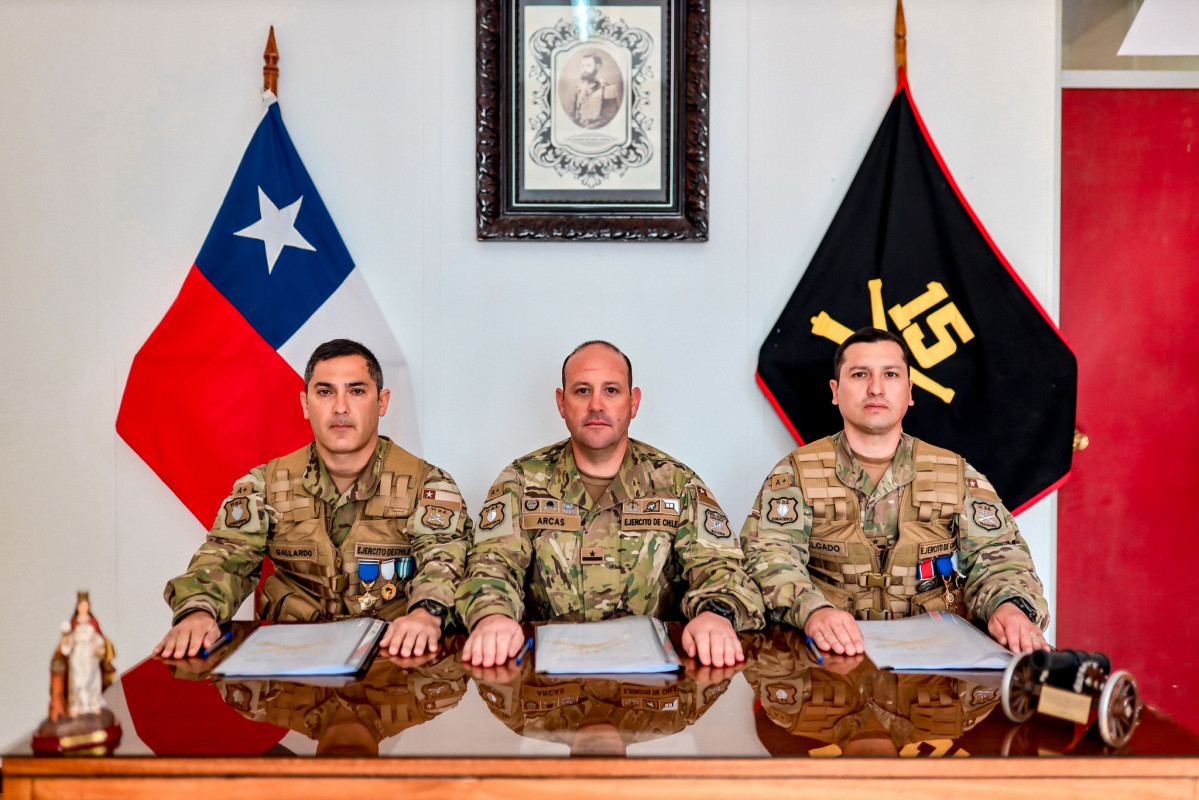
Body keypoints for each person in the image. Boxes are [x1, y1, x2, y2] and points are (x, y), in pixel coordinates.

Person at [154, 339, 472, 661]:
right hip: (291, 664)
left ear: (382, 402)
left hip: (392, 661)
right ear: (305, 404)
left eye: (357, 391)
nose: (340, 408)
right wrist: (198, 611)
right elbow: (227, 555)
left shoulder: (427, 484)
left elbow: (444, 558)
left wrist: (426, 612)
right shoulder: (265, 483)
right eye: (325, 392)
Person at [740, 327, 1050, 656]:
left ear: (909, 391)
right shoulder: (797, 473)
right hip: (830, 658)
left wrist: (1010, 608)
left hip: (935, 663)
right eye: (859, 374)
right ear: (835, 390)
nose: (876, 388)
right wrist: (813, 610)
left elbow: (1000, 559)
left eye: (890, 374)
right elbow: (769, 558)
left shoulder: (954, 474)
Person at [456, 341, 764, 668]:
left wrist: (716, 615)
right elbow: (491, 564)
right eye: (582, 391)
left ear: (634, 403)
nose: (596, 405)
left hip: (652, 689)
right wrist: (492, 615)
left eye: (612, 390)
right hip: (546, 688)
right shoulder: (520, 481)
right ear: (562, 403)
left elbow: (720, 567)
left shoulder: (676, 483)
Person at [568, 51, 619, 129]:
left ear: (597, 66)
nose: (585, 69)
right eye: (583, 65)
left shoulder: (607, 89)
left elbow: (609, 117)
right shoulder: (580, 88)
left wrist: (589, 128)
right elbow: (576, 113)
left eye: (588, 65)